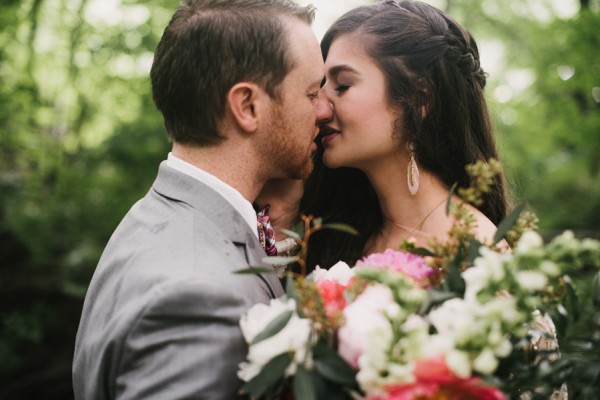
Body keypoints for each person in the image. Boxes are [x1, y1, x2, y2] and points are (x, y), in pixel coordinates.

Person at [72, 0, 331, 398]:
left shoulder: (156, 215)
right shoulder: (197, 296)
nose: (324, 109)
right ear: (247, 106)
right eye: (312, 92)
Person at [299, 0, 510, 270]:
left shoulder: (475, 254)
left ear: (419, 98)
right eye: (320, 86)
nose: (319, 109)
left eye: (342, 86)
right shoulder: (337, 232)